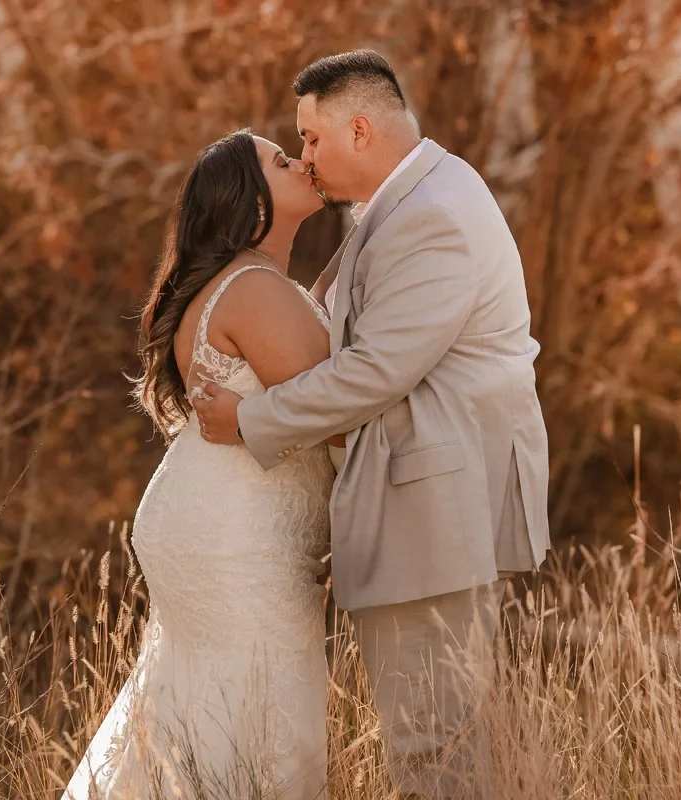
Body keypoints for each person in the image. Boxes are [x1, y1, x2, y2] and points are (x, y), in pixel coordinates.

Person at [193, 50, 551, 798]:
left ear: (360, 130)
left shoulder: (432, 217)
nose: (309, 159)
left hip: (433, 509)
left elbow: (375, 371)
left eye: (313, 140)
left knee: (432, 745)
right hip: (428, 503)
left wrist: (250, 419)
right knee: (441, 739)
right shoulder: (402, 202)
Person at [60, 129, 339, 799]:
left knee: (195, 712)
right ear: (253, 202)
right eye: (280, 160)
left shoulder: (239, 285)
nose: (301, 161)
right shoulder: (255, 289)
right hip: (238, 535)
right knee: (257, 716)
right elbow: (336, 414)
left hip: (202, 516)